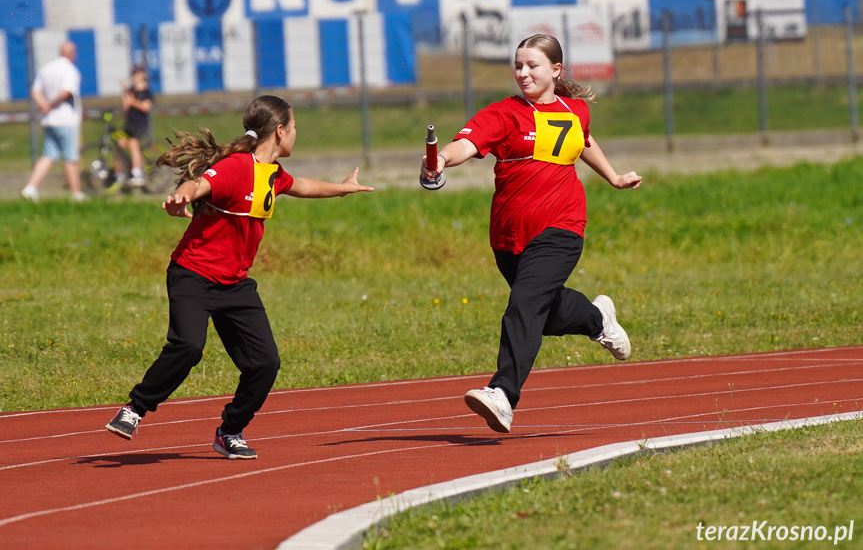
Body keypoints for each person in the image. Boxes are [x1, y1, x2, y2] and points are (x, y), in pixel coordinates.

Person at [106, 95, 374, 459]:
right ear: (280, 132)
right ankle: (134, 409)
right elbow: (199, 184)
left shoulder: (272, 174)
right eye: (294, 128)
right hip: (193, 274)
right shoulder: (236, 167)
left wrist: (343, 187)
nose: (297, 133)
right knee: (188, 346)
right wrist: (179, 197)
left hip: (234, 284)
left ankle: (230, 430)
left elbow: (304, 187)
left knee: (265, 363)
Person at [421, 34, 643, 433]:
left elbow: (583, 140)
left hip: (562, 227)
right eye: (518, 65)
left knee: (524, 304)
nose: (522, 73)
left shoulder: (574, 110)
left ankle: (503, 394)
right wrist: (440, 164)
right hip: (508, 236)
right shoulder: (504, 114)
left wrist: (613, 177)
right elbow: (465, 145)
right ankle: (597, 318)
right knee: (542, 314)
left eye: (532, 66)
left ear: (556, 71)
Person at [21, 40, 85, 202]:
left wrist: (43, 104)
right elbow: (65, 93)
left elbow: (35, 90)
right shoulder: (70, 70)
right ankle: (76, 193)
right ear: (71, 54)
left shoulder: (46, 68)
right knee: (70, 157)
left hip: (49, 120)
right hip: (66, 119)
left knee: (48, 155)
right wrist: (50, 104)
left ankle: (30, 188)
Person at [108, 65, 153, 192]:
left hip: (139, 123)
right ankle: (119, 174)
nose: (134, 77)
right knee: (120, 145)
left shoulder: (146, 92)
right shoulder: (132, 91)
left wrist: (133, 101)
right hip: (129, 123)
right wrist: (125, 91)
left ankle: (137, 173)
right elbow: (125, 107)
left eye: (136, 74)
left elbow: (146, 107)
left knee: (134, 143)